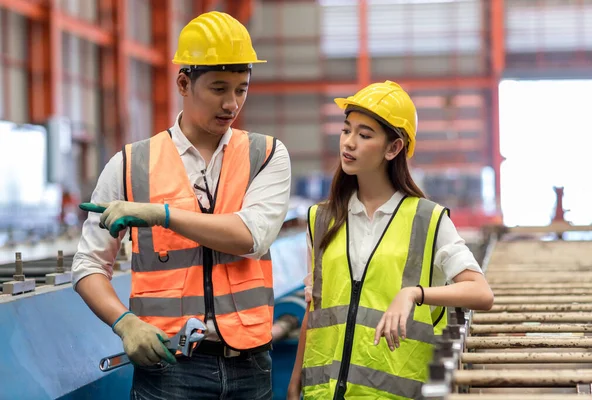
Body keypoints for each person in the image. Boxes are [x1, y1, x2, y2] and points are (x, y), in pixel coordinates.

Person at [72, 11, 291, 400]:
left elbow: (250, 237)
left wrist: (160, 214)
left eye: (241, 89)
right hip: (168, 368)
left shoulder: (267, 155)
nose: (231, 103)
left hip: (250, 367)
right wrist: (125, 324)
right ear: (183, 83)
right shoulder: (129, 164)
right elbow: (88, 264)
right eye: (219, 88)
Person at [286, 80, 494, 400]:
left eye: (364, 135)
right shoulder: (322, 219)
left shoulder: (427, 219)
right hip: (322, 392)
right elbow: (316, 307)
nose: (349, 143)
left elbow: (481, 293)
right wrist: (296, 377)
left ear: (393, 148)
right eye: (346, 130)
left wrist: (414, 293)